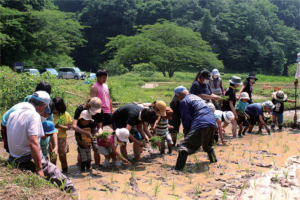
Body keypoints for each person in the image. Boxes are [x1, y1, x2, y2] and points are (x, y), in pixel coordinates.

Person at [6, 91, 76, 193]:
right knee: (67, 184)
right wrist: (39, 168)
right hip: (26, 158)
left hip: (13, 158)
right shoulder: (34, 115)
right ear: (43, 105)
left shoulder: (13, 113)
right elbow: (33, 143)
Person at [174, 86, 217, 170]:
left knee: (184, 147)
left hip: (200, 122)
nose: (177, 99)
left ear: (180, 93)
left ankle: (178, 170)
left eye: (177, 97)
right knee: (208, 145)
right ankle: (214, 162)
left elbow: (186, 119)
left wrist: (186, 133)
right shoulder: (196, 97)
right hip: (212, 122)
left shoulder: (184, 101)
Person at [23, 82, 58, 159]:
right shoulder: (29, 100)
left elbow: (51, 128)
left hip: (43, 141)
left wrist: (55, 147)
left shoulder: (48, 107)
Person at [72, 97, 103, 168]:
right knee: (82, 148)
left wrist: (99, 134)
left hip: (93, 128)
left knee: (96, 147)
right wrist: (86, 133)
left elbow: (100, 127)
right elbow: (74, 126)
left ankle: (97, 166)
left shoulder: (100, 111)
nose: (95, 112)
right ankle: (80, 166)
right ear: (89, 105)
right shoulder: (80, 109)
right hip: (82, 129)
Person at [52, 97, 72, 173]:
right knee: (53, 158)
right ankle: (53, 173)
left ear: (60, 107)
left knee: (63, 158)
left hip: (62, 139)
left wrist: (59, 126)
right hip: (52, 138)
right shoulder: (50, 115)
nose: (55, 110)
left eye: (56, 109)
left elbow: (67, 127)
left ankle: (65, 173)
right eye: (53, 108)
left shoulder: (66, 115)